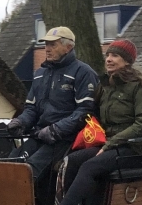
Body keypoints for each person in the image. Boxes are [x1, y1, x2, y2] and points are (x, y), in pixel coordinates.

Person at [40, 38, 142, 205]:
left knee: (89, 166)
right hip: (107, 144)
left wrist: (110, 145)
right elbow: (93, 115)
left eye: (115, 56)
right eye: (108, 55)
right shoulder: (106, 86)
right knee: (70, 161)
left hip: (134, 149)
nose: (109, 59)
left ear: (127, 61)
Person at [6, 26, 98, 182]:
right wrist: (21, 122)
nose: (47, 49)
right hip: (40, 135)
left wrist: (56, 130)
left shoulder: (83, 72)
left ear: (68, 47)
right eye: (45, 44)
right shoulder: (40, 74)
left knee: (29, 172)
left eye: (52, 45)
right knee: (10, 163)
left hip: (66, 139)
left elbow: (85, 112)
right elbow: (31, 108)